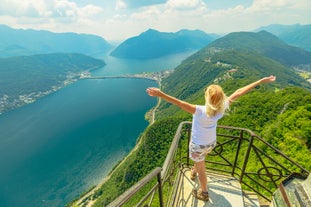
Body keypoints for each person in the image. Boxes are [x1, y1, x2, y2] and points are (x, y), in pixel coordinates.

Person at [146, 75, 276, 201]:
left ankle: (204, 192)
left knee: (202, 170)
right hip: (210, 144)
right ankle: (193, 171)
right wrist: (260, 81)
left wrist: (160, 94)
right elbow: (239, 92)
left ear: (207, 98)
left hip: (198, 146)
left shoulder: (199, 110)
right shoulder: (222, 108)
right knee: (200, 160)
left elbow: (179, 103)